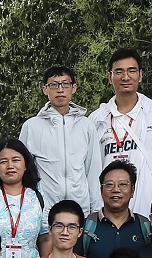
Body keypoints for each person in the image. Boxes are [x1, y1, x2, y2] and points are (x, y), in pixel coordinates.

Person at [90, 49, 152, 207]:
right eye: (119, 72)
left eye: (132, 71)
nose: (125, 77)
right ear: (110, 77)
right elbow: (92, 170)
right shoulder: (97, 118)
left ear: (140, 75)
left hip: (147, 204)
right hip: (108, 206)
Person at [20, 65, 99, 212]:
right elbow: (23, 171)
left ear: (74, 88)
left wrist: (96, 211)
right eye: (54, 85)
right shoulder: (31, 126)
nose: (60, 89)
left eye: (65, 84)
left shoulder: (87, 126)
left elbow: (93, 171)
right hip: (44, 209)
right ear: (45, 89)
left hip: (80, 209)